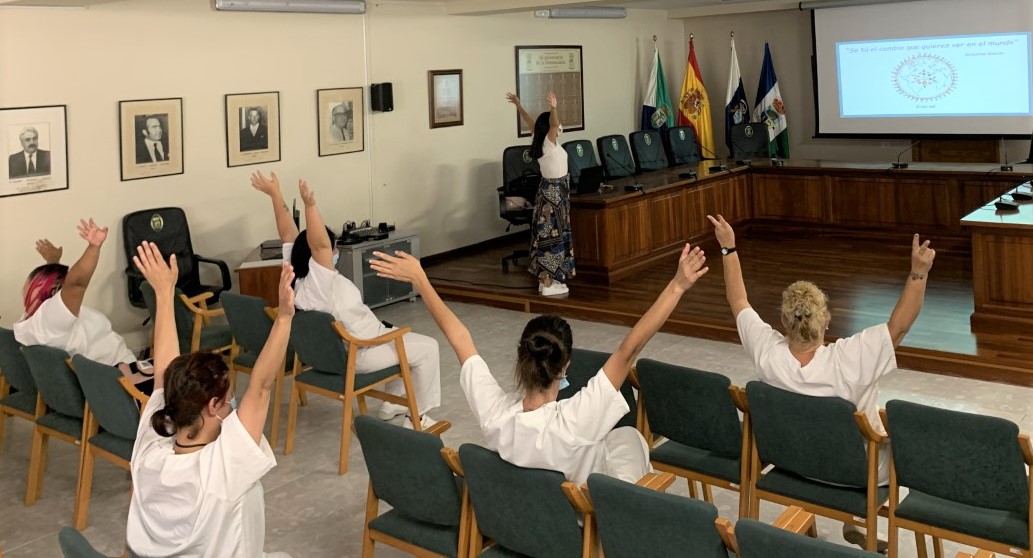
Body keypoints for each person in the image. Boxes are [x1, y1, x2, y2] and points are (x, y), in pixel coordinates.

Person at [370, 243, 709, 484]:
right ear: (565, 368)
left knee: (620, 441)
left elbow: (460, 339)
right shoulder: (577, 420)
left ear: (522, 357)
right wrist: (678, 285)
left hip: (537, 520)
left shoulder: (494, 415)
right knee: (630, 440)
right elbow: (629, 349)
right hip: (581, 521)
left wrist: (422, 281)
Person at [707, 214, 936, 550]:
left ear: (784, 320)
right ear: (827, 320)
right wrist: (919, 273)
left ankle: (848, 525)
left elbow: (738, 301)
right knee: (896, 439)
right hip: (858, 473)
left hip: (791, 460)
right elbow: (899, 326)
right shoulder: (851, 358)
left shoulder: (767, 354)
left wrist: (729, 248)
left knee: (823, 428)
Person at [126, 242, 294, 558]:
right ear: (213, 406)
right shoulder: (224, 467)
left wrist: (164, 296)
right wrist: (284, 317)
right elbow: (261, 387)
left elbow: (164, 372)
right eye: (229, 401)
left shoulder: (150, 447)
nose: (233, 408)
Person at [250, 170, 441, 428]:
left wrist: (275, 194)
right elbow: (319, 245)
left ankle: (392, 403)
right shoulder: (320, 283)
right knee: (428, 348)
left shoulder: (296, 276)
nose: (335, 252)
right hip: (359, 353)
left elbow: (288, 234)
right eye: (334, 248)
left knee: (398, 334)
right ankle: (416, 417)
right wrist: (310, 206)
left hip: (338, 351)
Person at [14, 220, 153, 393]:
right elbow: (76, 284)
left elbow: (57, 291)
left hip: (105, 376)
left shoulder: (32, 321)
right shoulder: (53, 321)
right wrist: (93, 247)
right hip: (119, 379)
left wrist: (53, 261)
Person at [506, 91, 575, 296]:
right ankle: (547, 283)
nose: (559, 126)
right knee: (550, 239)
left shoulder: (542, 140)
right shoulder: (548, 142)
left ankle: (550, 279)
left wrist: (519, 105)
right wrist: (554, 108)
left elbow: (531, 121)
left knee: (554, 237)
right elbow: (553, 124)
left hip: (556, 193)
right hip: (553, 195)